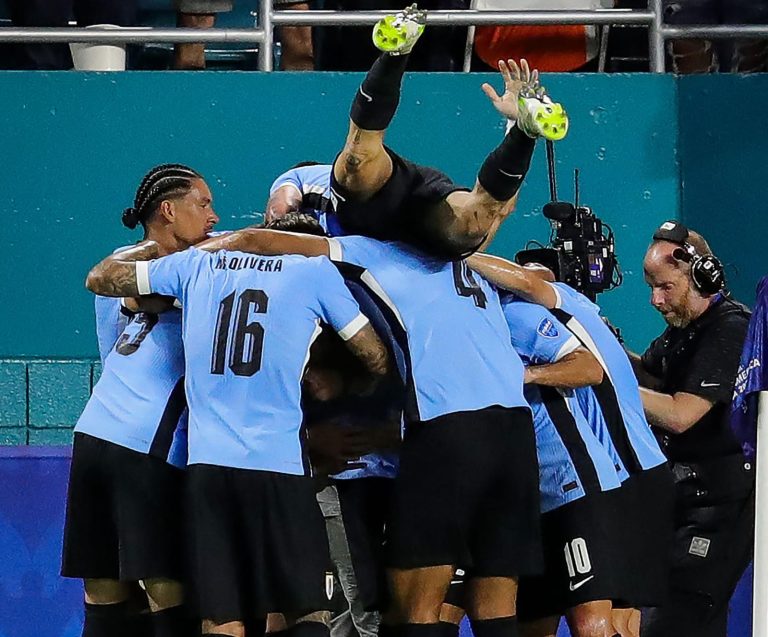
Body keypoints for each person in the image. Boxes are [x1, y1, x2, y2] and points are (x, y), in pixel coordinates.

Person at [194, 226, 542, 637]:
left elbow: (257, 241)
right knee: (467, 599)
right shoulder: (464, 268)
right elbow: (538, 280)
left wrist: (192, 253)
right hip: (476, 442)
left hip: (415, 453)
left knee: (403, 604)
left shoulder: (364, 261)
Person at [85, 223, 390, 637]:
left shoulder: (197, 265)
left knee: (220, 616)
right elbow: (374, 355)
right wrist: (339, 379)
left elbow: (102, 278)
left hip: (206, 470)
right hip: (279, 466)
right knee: (307, 609)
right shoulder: (314, 271)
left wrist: (155, 245)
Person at [465, 252, 673, 637]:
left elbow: (529, 282)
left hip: (628, 472)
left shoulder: (540, 305)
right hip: (605, 474)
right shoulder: (568, 312)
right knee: (600, 617)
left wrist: (455, 250)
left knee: (607, 619)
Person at [61, 164, 219, 637]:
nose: (214, 216)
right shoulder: (198, 269)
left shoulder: (135, 267)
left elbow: (112, 355)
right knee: (164, 588)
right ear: (169, 210)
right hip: (148, 447)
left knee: (104, 590)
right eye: (204, 204)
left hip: (93, 434)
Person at [442, 296, 636, 637]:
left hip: (572, 483)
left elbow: (588, 367)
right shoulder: (444, 328)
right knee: (530, 625)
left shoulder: (514, 314)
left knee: (591, 624)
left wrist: (523, 374)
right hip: (516, 498)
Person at [325, 4, 568, 259]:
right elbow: (500, 210)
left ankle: (396, 53)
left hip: (411, 211)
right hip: (397, 216)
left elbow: (499, 210)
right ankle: (525, 130)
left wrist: (514, 124)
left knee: (358, 161)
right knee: (356, 160)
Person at [628, 220, 754, 637]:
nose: (654, 299)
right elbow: (650, 376)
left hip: (720, 509)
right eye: (651, 287)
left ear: (702, 277)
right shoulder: (683, 332)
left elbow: (680, 414)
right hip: (683, 503)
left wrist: (604, 382)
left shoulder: (730, 329)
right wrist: (601, 349)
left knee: (676, 621)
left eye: (665, 287)